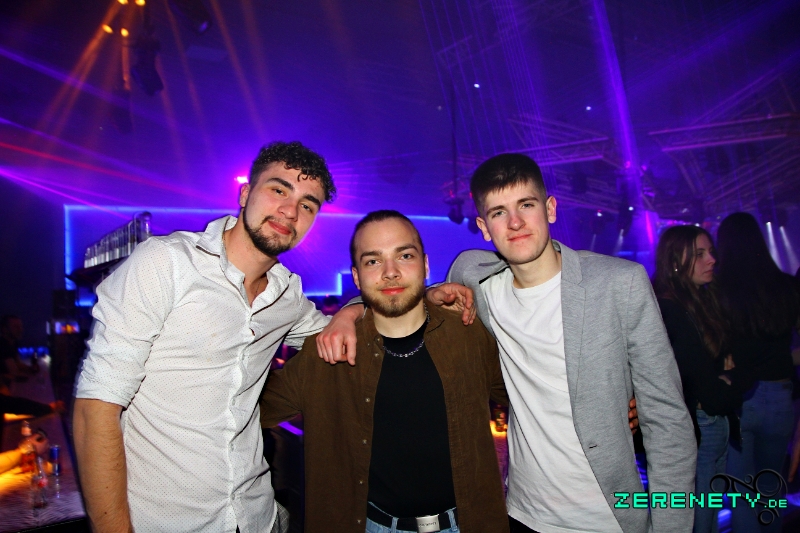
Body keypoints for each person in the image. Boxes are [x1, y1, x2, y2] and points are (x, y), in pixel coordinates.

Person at [318, 153, 694, 533]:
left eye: (526, 205)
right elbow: (401, 295)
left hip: (609, 518)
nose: (515, 222)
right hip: (519, 514)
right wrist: (349, 312)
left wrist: (672, 527)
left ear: (549, 208)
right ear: (484, 227)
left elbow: (668, 421)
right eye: (499, 212)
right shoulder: (475, 277)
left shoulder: (619, 283)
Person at [73, 141, 350, 533]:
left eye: (307, 205)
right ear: (245, 193)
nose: (290, 211)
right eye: (278, 190)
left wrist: (357, 307)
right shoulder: (166, 263)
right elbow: (96, 409)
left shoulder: (287, 295)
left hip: (258, 519)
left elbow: (338, 335)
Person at [260, 210, 509, 533]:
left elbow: (525, 394)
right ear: (357, 276)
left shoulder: (468, 335)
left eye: (404, 256)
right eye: (373, 261)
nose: (390, 272)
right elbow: (242, 410)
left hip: (469, 524)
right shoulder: (327, 354)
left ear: (425, 265)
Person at [653, 225, 741, 533]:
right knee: (699, 522)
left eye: (711, 252)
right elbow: (706, 386)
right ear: (676, 261)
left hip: (712, 423)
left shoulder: (702, 301)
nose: (712, 260)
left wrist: (727, 377)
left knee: (708, 518)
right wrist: (729, 379)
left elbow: (727, 366)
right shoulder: (670, 309)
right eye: (700, 254)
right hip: (699, 426)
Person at [715, 212, 799, 533]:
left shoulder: (719, 289)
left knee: (742, 494)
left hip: (740, 396)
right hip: (780, 395)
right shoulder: (786, 286)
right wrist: (780, 360)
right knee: (771, 488)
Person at [0, 315, 38, 386]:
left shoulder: (13, 343)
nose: (20, 330)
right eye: (15, 327)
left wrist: (30, 369)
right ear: (5, 329)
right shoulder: (3, 346)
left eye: (20, 326)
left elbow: (17, 363)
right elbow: (14, 371)